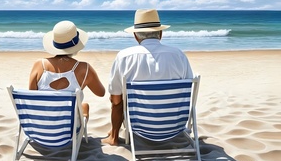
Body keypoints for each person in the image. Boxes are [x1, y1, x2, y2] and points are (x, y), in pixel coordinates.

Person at [102, 9, 194, 145]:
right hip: (174, 125)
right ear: (160, 33)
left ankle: (114, 137)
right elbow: (189, 91)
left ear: (135, 36)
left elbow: (115, 100)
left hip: (140, 126)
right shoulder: (179, 55)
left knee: (118, 99)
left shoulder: (124, 57)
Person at [29, 20, 105, 118]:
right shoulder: (84, 68)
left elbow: (32, 96)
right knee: (84, 106)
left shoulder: (39, 65)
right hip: (68, 130)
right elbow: (101, 92)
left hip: (41, 127)